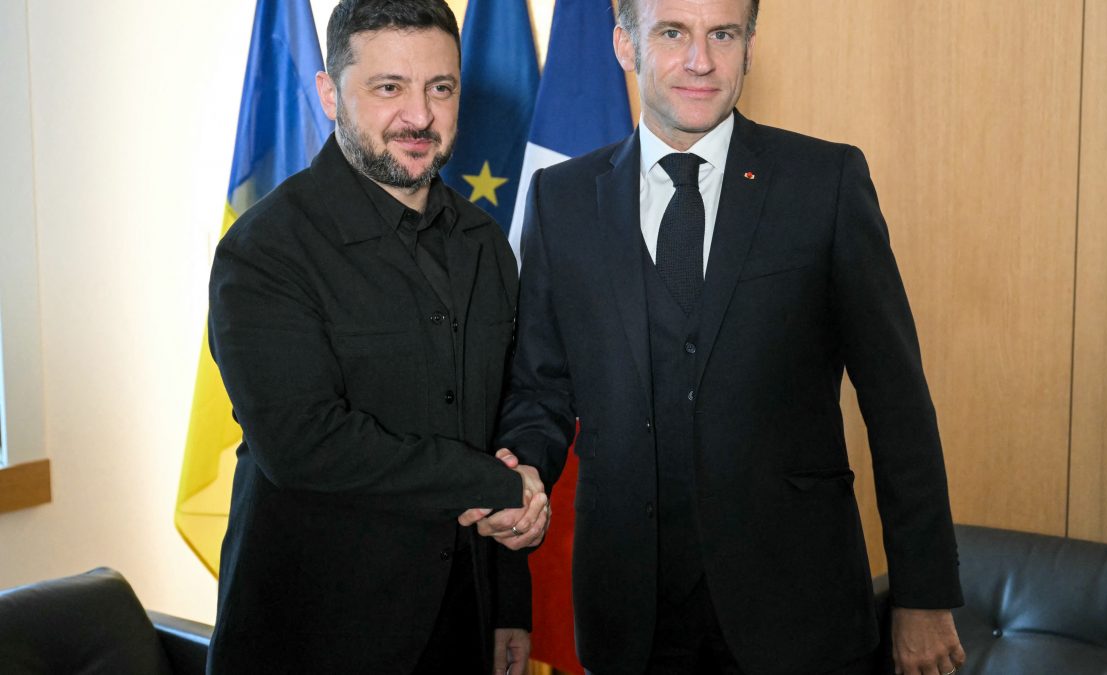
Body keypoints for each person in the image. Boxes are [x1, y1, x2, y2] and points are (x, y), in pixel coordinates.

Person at [465, 0, 967, 673]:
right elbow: (540, 387)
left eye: (722, 34)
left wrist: (925, 594)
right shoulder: (561, 200)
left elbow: (898, 404)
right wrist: (526, 463)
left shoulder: (826, 183)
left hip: (801, 613)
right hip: (629, 620)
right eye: (672, 33)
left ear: (749, 46)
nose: (700, 61)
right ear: (624, 44)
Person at [205, 1, 549, 672]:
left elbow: (503, 417)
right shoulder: (265, 249)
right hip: (314, 636)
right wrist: (496, 485)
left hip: (461, 627)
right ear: (331, 94)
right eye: (389, 87)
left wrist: (510, 600)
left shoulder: (486, 245)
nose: (418, 116)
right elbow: (304, 444)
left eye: (439, 88)